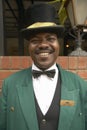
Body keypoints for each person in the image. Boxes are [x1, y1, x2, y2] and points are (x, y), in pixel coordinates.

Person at [0, 3, 87, 130]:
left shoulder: (80, 85)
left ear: (58, 44)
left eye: (50, 39)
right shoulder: (10, 85)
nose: (43, 45)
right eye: (35, 40)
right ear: (28, 47)